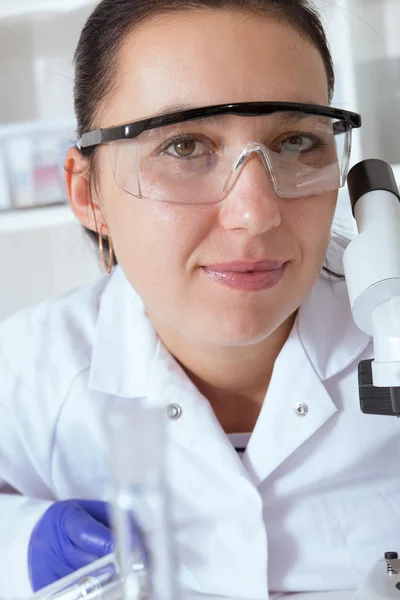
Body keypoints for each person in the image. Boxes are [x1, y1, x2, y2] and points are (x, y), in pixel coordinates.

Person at [1, 0, 399, 598]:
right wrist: (20, 544)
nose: (256, 215)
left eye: (296, 142)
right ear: (88, 193)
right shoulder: (25, 373)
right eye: (184, 146)